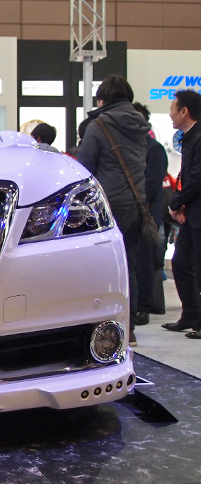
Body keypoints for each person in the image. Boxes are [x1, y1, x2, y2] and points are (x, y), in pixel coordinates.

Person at [77, 75, 150, 347]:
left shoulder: (97, 126)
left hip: (106, 207)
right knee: (128, 267)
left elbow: (85, 169)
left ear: (102, 100)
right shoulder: (140, 126)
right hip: (135, 205)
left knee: (98, 270)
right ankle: (129, 329)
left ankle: (100, 330)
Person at [162, 90, 201, 338]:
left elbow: (197, 177)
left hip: (196, 212)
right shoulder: (189, 137)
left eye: (173, 109)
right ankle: (191, 315)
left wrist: (176, 203)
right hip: (192, 212)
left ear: (184, 111)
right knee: (181, 262)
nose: (170, 114)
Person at [133, 102, 168, 323]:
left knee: (145, 259)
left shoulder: (154, 149)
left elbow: (152, 184)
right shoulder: (126, 147)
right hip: (129, 212)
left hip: (147, 215)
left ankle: (143, 306)